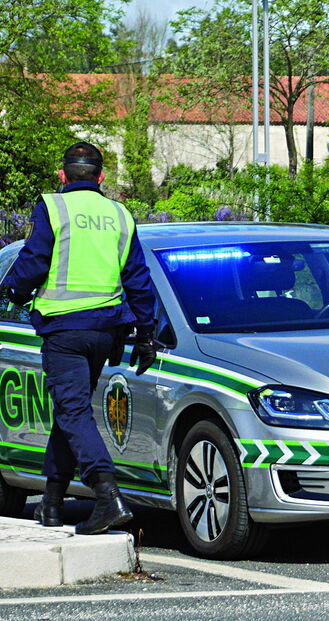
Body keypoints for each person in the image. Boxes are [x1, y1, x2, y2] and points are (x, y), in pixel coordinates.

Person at [1, 142, 157, 533]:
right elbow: (138, 277)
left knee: (72, 413)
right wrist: (148, 333)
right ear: (101, 178)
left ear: (63, 175)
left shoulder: (53, 207)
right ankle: (51, 504)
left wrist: (14, 289)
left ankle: (107, 495)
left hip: (65, 331)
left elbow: (33, 260)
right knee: (69, 415)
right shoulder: (120, 214)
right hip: (106, 333)